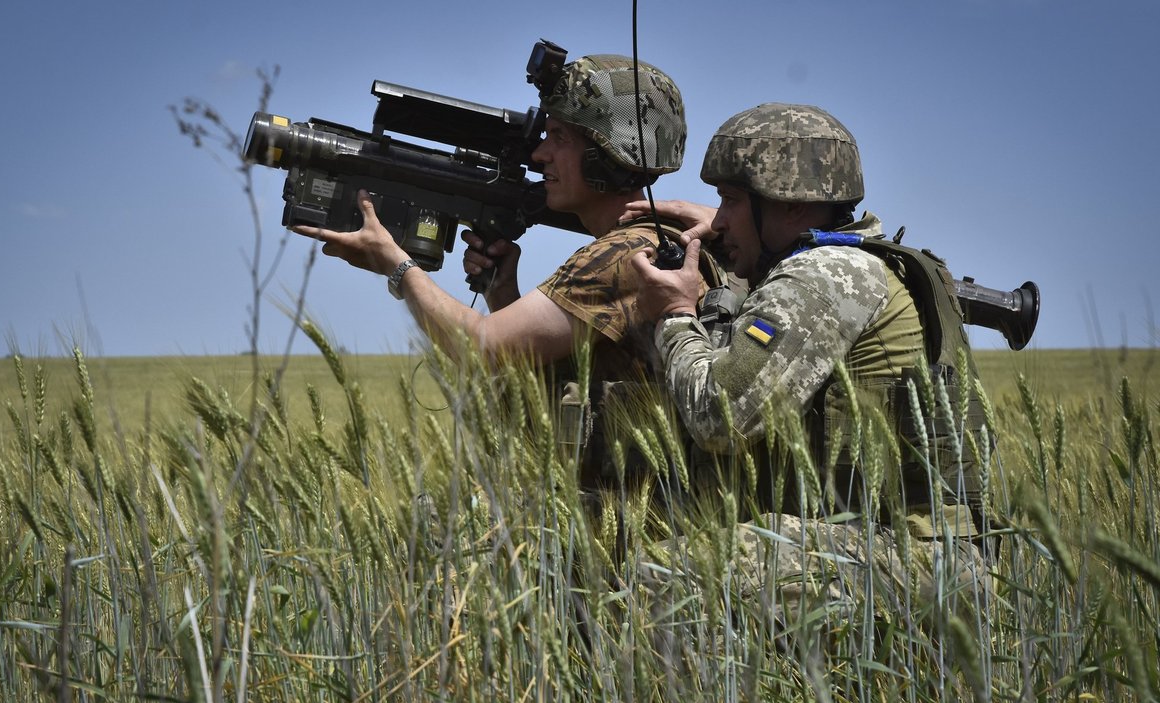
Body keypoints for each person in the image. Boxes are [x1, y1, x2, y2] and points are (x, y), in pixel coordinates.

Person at [628, 103, 993, 635]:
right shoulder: (851, 261)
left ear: (792, 208)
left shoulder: (824, 276)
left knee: (664, 575)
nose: (718, 219)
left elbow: (718, 418)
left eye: (731, 200)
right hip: (902, 552)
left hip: (913, 563)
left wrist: (675, 314)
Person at [292, 53, 719, 489]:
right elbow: (552, 371)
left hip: (625, 536)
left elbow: (483, 351)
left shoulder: (623, 255)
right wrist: (502, 293)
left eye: (558, 137)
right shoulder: (653, 242)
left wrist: (396, 264)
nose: (539, 154)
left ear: (604, 155)